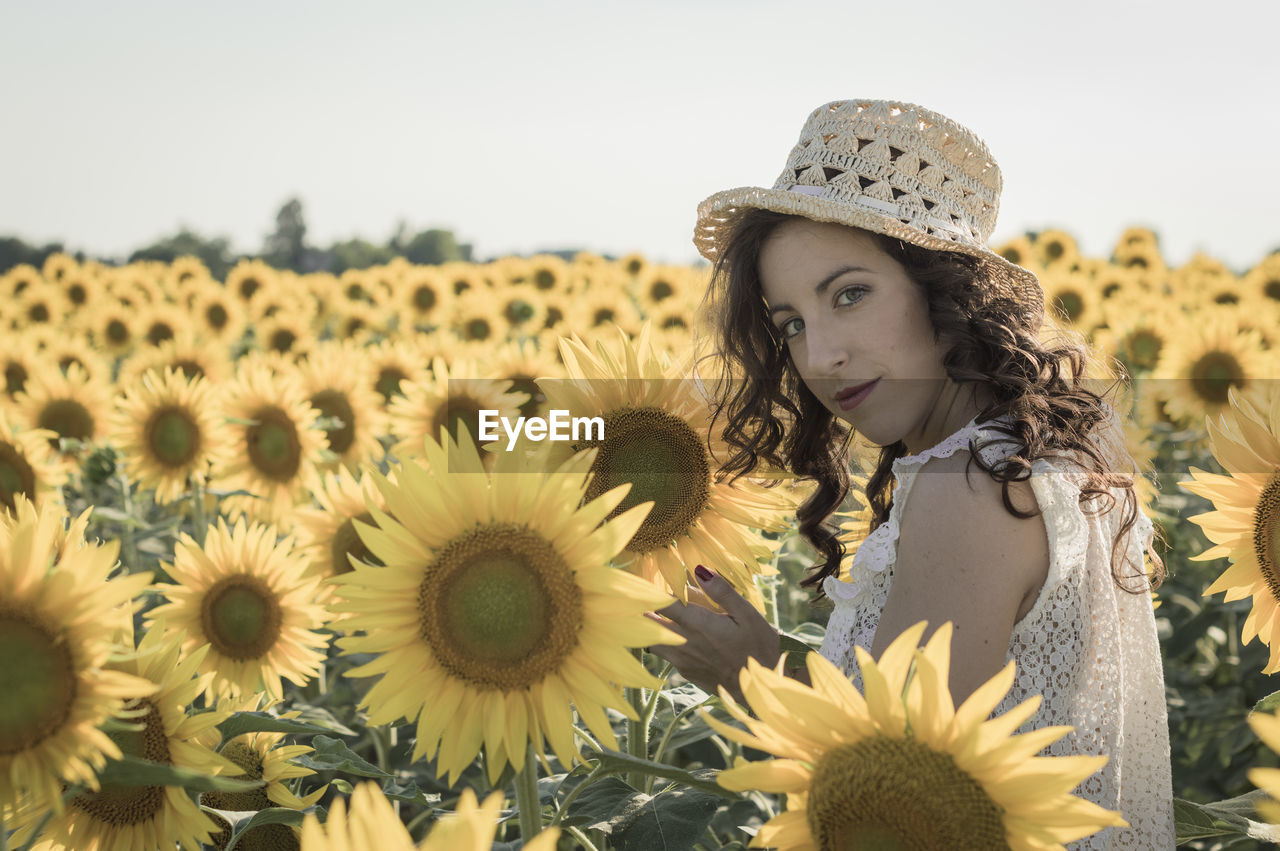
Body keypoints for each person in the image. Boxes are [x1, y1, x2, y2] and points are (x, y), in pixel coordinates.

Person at [647, 99, 1175, 848]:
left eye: (850, 294)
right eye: (791, 323)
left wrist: (754, 674)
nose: (819, 355)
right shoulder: (1030, 450)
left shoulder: (970, 487)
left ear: (944, 290)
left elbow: (907, 791)